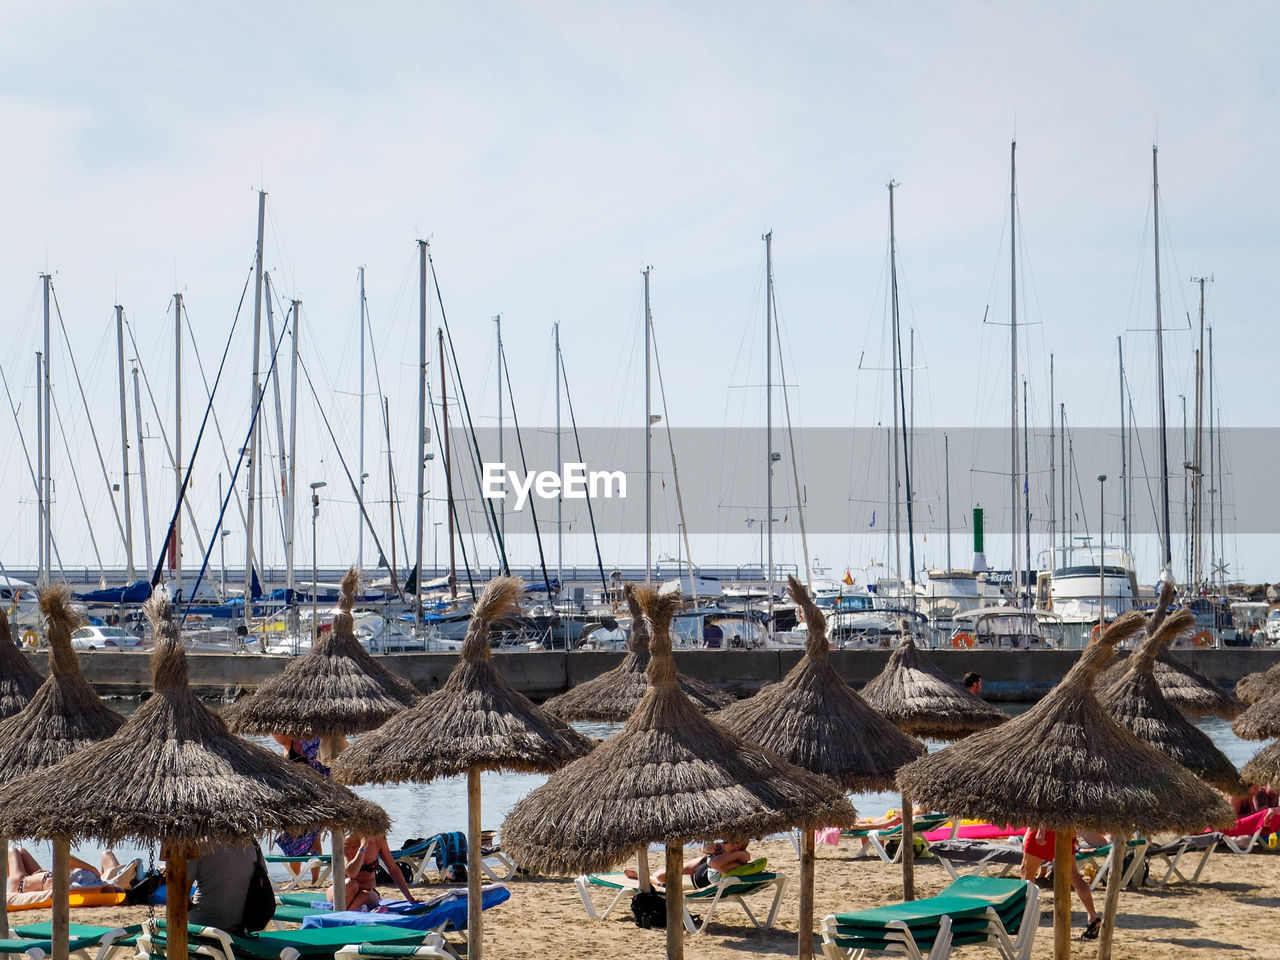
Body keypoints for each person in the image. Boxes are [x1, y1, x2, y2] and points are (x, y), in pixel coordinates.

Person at [1020, 828, 1100, 940]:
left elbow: (1045, 809)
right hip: (1064, 828)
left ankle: (1025, 919)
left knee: (1026, 872)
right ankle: (1093, 917)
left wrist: (1041, 829)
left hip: (1045, 827)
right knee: (1073, 875)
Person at [329, 835, 417, 911]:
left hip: (367, 892)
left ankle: (348, 913)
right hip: (344, 890)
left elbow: (393, 869)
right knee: (351, 884)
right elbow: (351, 873)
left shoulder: (378, 839)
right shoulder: (347, 841)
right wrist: (362, 848)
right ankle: (350, 912)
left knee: (366, 895)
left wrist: (410, 899)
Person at [188, 841, 260, 932]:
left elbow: (180, 896)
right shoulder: (251, 843)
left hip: (204, 926)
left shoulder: (199, 845)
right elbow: (261, 882)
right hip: (241, 926)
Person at [7, 845, 136, 895]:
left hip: (21, 883)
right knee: (21, 851)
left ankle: (5, 876)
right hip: (42, 876)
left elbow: (65, 857)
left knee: (12, 850)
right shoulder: (97, 883)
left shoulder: (91, 884)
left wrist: (92, 869)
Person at [626, 839, 752, 889]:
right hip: (702, 863)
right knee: (663, 871)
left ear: (737, 845)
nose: (723, 844)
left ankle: (642, 877)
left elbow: (714, 864)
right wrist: (712, 848)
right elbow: (704, 848)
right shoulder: (724, 850)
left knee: (660, 877)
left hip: (695, 880)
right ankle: (653, 875)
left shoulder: (738, 860)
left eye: (726, 842)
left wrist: (737, 854)